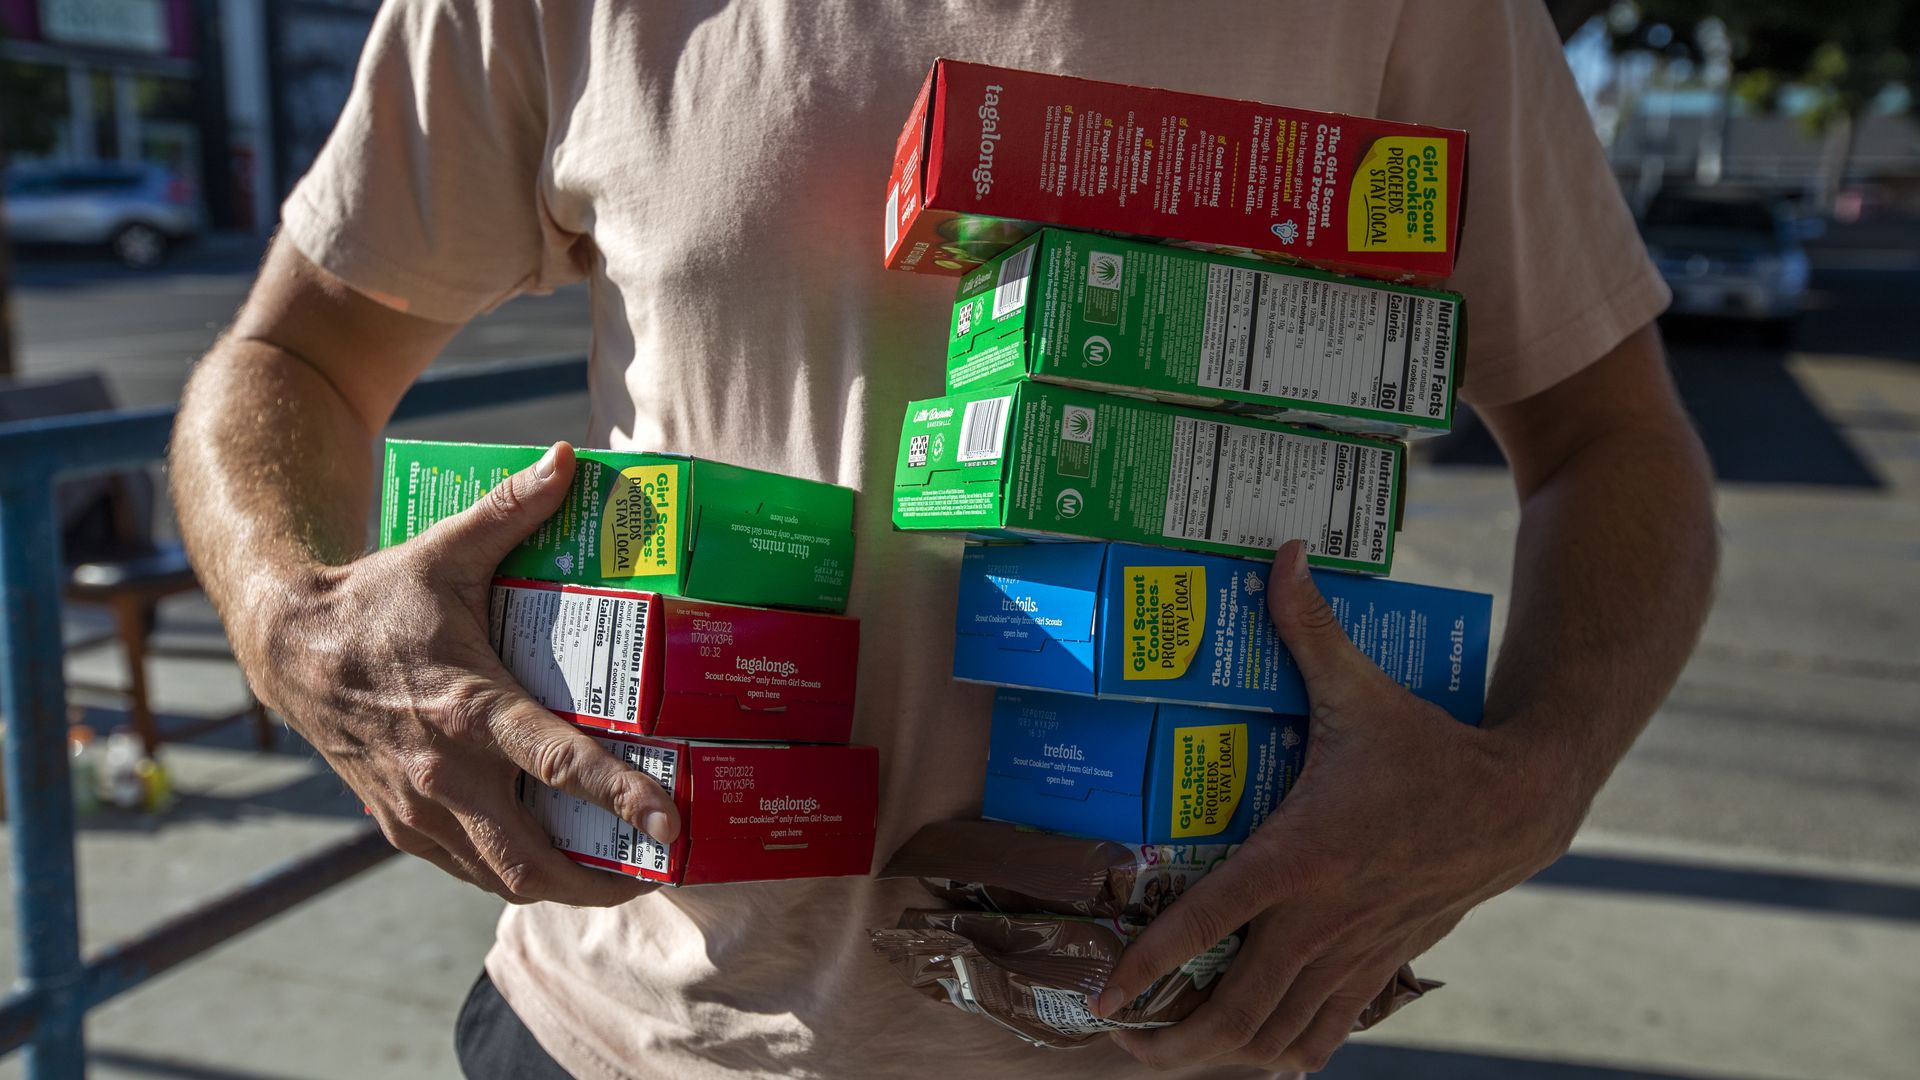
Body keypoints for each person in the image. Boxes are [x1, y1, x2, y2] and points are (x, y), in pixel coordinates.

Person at [168, 1, 1716, 1076]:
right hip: (621, 1036)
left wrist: (1535, 779)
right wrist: (290, 622)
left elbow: (1614, 442)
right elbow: (285, 362)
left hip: (1184, 1049)